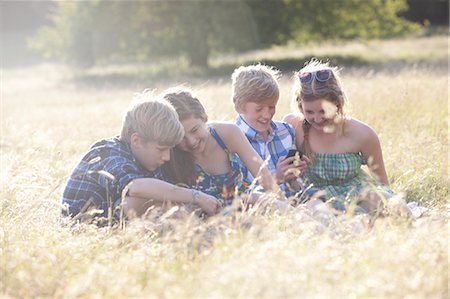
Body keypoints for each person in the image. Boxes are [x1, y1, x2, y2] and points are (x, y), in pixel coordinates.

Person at [61, 91, 221, 223]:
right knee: (140, 201)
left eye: (170, 150)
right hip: (84, 227)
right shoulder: (107, 153)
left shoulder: (150, 160)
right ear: (136, 140)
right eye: (161, 149)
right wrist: (197, 197)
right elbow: (136, 188)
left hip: (119, 224)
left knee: (170, 199)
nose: (166, 157)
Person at [283, 59, 407, 215]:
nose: (317, 118)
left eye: (323, 111)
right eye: (309, 112)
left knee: (393, 209)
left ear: (337, 103)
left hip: (358, 194)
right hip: (315, 198)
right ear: (300, 106)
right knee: (336, 219)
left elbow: (381, 182)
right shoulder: (293, 126)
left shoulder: (363, 134)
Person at [160, 88, 279, 207]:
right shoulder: (168, 153)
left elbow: (264, 177)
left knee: (258, 199)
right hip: (201, 218)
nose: (191, 142)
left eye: (195, 130)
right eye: (181, 136)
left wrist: (284, 209)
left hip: (245, 207)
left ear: (204, 118)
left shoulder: (228, 134)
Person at [231, 64, 322, 204]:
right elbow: (238, 197)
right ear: (238, 107)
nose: (267, 115)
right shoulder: (231, 141)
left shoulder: (285, 131)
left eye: (272, 107)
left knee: (319, 207)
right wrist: (276, 178)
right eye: (259, 109)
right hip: (262, 212)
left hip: (295, 206)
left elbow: (297, 188)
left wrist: (294, 174)